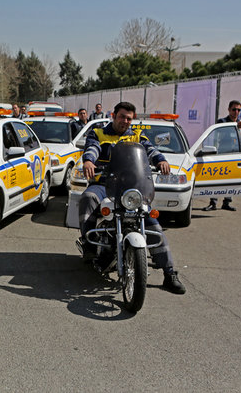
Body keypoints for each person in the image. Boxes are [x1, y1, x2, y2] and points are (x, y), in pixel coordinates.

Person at [77, 101, 185, 294]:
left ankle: (170, 274)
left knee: (152, 222)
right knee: (88, 197)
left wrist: (161, 160)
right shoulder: (98, 133)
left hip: (131, 188)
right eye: (122, 117)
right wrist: (88, 161)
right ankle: (88, 243)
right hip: (104, 184)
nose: (125, 121)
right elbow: (92, 148)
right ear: (114, 116)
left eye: (129, 118)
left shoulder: (136, 136)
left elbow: (149, 149)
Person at [203, 100, 241, 212]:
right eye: (234, 109)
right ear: (229, 110)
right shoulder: (223, 121)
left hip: (235, 155)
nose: (236, 112)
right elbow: (219, 133)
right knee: (217, 178)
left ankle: (227, 202)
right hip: (222, 154)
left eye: (238, 110)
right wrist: (235, 126)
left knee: (231, 179)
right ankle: (213, 202)